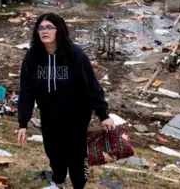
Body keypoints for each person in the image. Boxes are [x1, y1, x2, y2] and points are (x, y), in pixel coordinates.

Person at [17, 13, 115, 189]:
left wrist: (103, 114)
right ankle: (59, 182)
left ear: (59, 30)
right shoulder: (33, 56)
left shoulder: (75, 54)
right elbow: (26, 90)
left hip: (76, 114)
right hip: (49, 114)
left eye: (49, 27)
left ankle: (78, 185)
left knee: (75, 154)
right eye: (41, 28)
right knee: (53, 151)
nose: (44, 31)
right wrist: (22, 122)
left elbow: (92, 85)